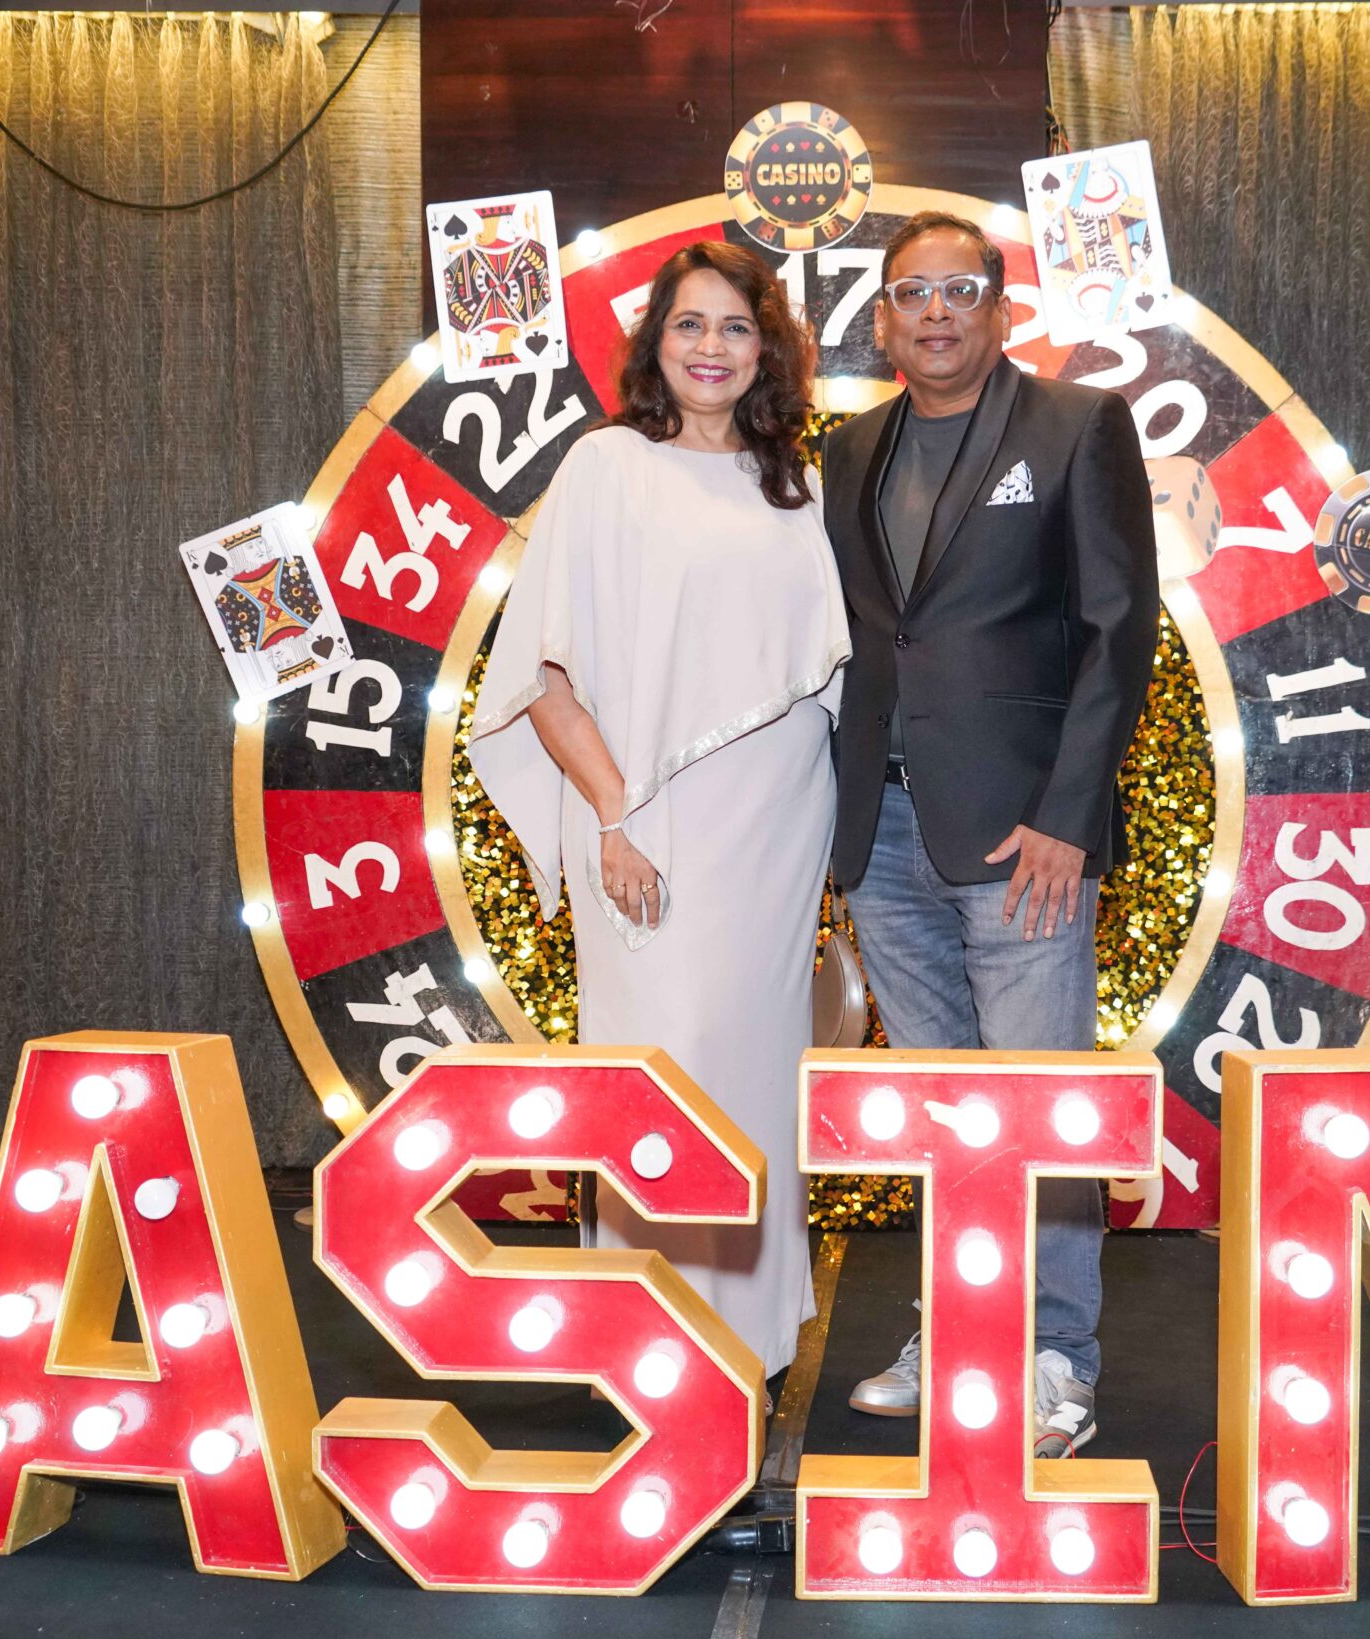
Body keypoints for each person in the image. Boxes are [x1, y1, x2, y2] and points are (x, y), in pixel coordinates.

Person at [467, 241, 851, 1382]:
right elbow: (543, 673)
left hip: (782, 822)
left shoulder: (796, 484)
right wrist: (611, 817)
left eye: (735, 328)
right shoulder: (606, 466)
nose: (711, 349)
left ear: (765, 348)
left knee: (758, 1070)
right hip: (649, 820)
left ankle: (755, 1339)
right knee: (664, 1065)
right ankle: (651, 1338)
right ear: (656, 343)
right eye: (690, 325)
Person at [821, 210, 1156, 1455]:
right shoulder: (849, 450)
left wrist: (1070, 814)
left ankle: (1057, 1356)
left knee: (1042, 1105)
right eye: (912, 293)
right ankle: (957, 1326)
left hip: (1024, 836)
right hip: (885, 831)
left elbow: (1121, 629)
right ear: (884, 320)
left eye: (961, 288)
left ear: (1001, 310)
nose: (937, 311)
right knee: (943, 1108)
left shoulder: (1075, 427)